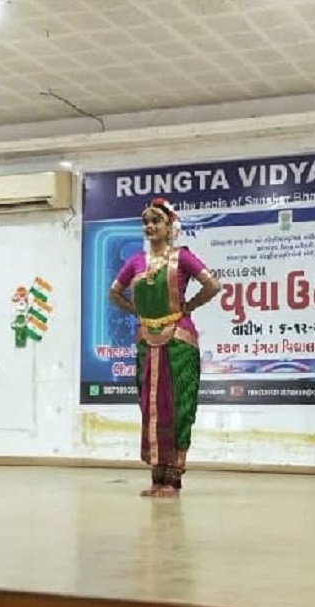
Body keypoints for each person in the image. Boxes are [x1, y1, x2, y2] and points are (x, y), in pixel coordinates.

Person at [109, 197, 221, 498]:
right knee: (150, 406)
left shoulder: (182, 257)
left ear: (170, 226)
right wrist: (137, 312)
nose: (149, 226)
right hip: (147, 341)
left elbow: (212, 285)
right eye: (145, 222)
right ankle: (157, 477)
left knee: (179, 406)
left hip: (178, 341)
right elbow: (114, 293)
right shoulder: (136, 261)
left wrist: (189, 306)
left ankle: (173, 478)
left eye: (156, 221)